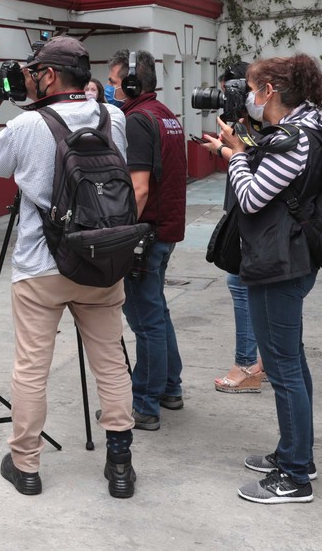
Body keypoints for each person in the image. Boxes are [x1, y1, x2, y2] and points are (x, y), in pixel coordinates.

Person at [0, 36, 137, 499]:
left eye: (34, 71)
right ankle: (120, 465)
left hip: (41, 265)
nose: (28, 77)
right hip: (101, 258)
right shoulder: (113, 117)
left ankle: (26, 466)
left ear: (48, 75)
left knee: (31, 368)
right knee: (111, 363)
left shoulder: (28, 125)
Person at [217, 54, 322, 504]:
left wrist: (235, 156)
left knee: (283, 369)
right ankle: (296, 453)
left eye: (252, 88)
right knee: (291, 361)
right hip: (290, 257)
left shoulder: (290, 140)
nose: (248, 96)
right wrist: (245, 148)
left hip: (279, 263)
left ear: (270, 92)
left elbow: (251, 197)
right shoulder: (308, 127)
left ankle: (295, 476)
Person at [107, 49, 186, 431]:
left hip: (146, 235)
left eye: (114, 80)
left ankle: (145, 404)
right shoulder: (165, 115)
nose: (110, 87)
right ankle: (169, 387)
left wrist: (120, 236)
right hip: (163, 231)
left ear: (132, 82)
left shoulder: (137, 120)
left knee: (145, 320)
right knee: (157, 313)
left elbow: (138, 189)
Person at [197, 62, 267, 393]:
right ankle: (267, 363)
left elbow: (254, 165)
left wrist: (228, 149)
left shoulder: (266, 127)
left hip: (253, 220)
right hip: (255, 220)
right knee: (265, 291)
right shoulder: (259, 124)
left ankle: (246, 365)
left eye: (232, 94)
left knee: (240, 284)